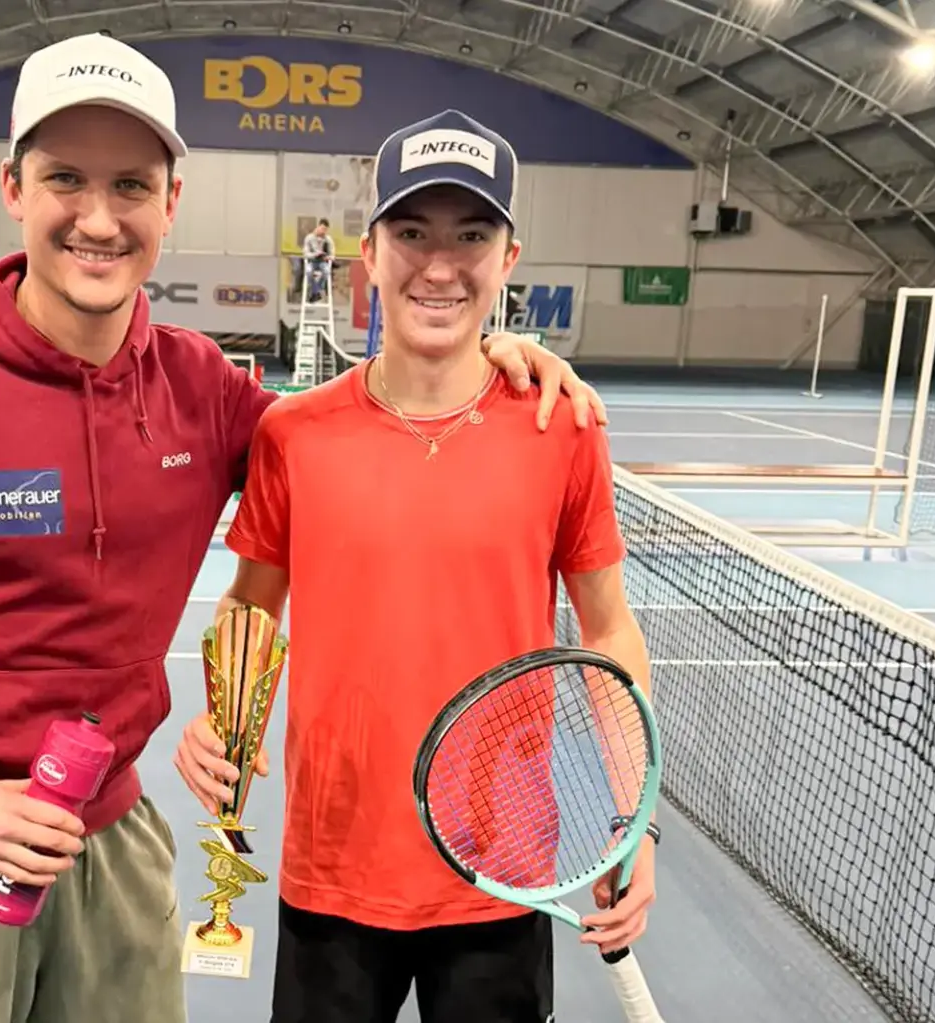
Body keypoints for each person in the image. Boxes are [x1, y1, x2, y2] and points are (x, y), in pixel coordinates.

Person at [0, 33, 607, 1023]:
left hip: (115, 845)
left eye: (132, 186)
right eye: (67, 178)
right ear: (13, 186)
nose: (99, 218)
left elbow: (353, 430)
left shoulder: (203, 392)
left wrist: (487, 352)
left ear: (170, 204)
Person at [174, 109, 658, 1023]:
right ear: (370, 251)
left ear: (509, 257)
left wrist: (637, 817)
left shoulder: (565, 428)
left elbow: (608, 630)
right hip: (332, 876)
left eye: (471, 234)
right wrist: (225, 729)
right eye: (412, 232)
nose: (440, 265)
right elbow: (250, 608)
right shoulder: (292, 432)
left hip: (504, 876)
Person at [301, 217, 334, 302]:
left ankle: (315, 291)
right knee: (308, 271)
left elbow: (332, 254)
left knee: (327, 271)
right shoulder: (309, 238)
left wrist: (328, 257)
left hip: (323, 262)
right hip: (312, 261)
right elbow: (305, 253)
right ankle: (316, 291)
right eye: (322, 229)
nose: (324, 231)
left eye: (326, 230)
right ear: (318, 227)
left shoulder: (328, 239)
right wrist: (315, 254)